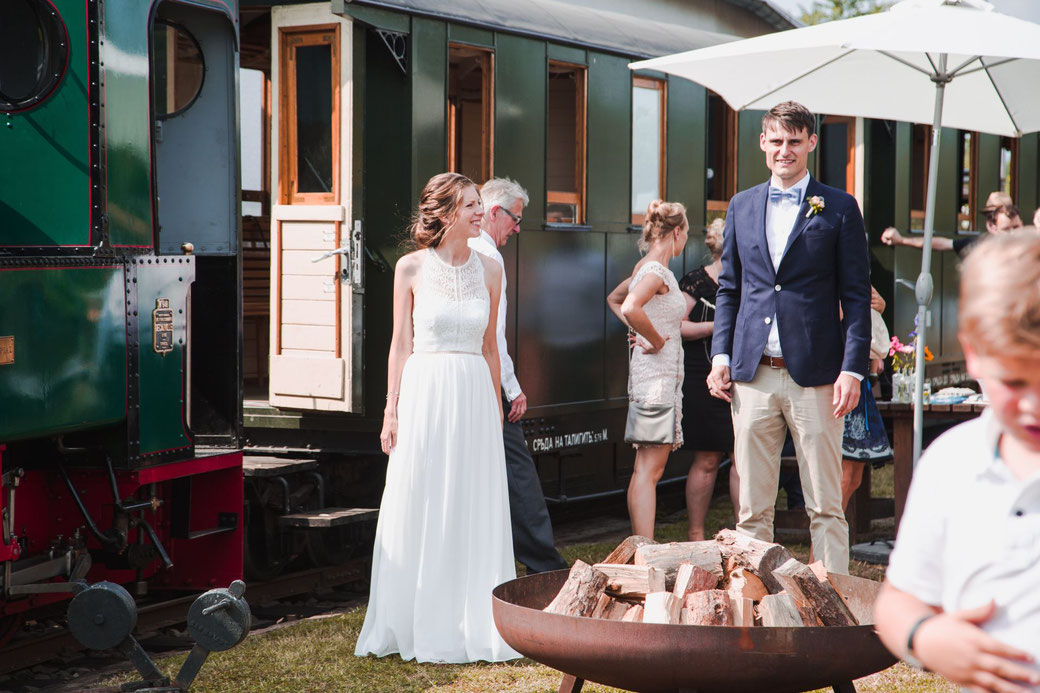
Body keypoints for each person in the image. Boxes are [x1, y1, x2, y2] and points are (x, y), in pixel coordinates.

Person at [355, 172, 519, 663]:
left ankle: (473, 621)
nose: (479, 212)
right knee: (420, 498)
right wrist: (390, 409)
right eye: (470, 205)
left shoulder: (491, 270)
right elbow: (400, 345)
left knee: (471, 502)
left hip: (471, 394)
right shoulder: (409, 268)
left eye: (479, 205)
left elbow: (490, 347)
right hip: (425, 394)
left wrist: (495, 408)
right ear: (446, 213)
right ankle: (415, 619)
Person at [707, 101, 871, 575]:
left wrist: (851, 368)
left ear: (811, 144)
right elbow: (731, 289)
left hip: (817, 376)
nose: (785, 150)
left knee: (824, 503)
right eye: (776, 141)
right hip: (752, 375)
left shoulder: (839, 207)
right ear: (762, 143)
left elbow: (856, 296)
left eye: (794, 141)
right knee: (752, 510)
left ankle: (833, 604)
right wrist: (721, 355)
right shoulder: (741, 204)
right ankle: (753, 604)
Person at [875, 231, 1040, 690]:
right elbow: (897, 600)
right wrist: (923, 636)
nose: (1034, 405)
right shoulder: (952, 461)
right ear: (974, 354)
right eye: (1015, 380)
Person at [468, 177, 568, 575]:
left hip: (465, 379)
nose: (518, 227)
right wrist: (511, 389)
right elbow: (492, 334)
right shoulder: (488, 259)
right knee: (519, 479)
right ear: (495, 213)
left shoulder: (462, 252)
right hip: (486, 383)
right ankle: (546, 568)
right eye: (515, 218)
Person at [607, 200, 689, 539]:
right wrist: (653, 340)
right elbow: (627, 304)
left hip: (651, 377)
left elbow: (614, 299)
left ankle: (642, 545)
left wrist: (639, 331)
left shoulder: (646, 266)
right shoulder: (655, 271)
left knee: (644, 469)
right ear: (676, 233)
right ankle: (646, 550)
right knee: (649, 472)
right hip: (656, 379)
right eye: (686, 233)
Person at [677, 218, 740, 540]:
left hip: (743, 375)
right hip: (703, 377)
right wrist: (719, 326)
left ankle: (745, 533)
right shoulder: (695, 282)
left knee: (741, 457)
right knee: (706, 459)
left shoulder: (747, 280)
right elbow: (676, 326)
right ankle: (696, 533)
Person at [840, 285, 893, 511]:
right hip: (839, 377)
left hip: (860, 382)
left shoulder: (860, 278)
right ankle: (822, 543)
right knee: (842, 476)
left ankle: (835, 537)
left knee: (854, 479)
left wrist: (879, 308)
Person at [881, 191, 1023, 258]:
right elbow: (941, 243)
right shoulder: (979, 247)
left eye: (1016, 227)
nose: (1013, 233)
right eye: (1006, 229)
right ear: (991, 226)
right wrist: (902, 240)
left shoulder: (1031, 247)